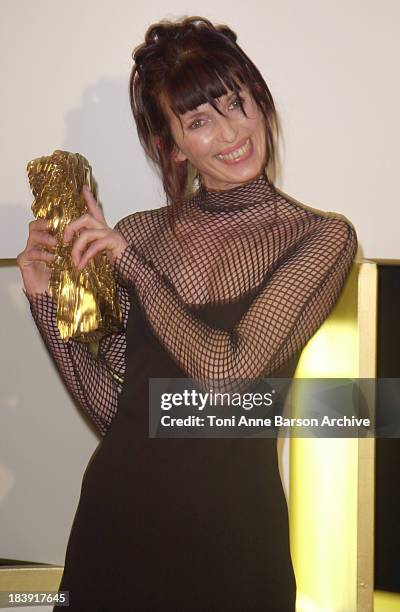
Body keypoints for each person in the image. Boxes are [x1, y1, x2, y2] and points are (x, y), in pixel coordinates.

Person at [17, 16, 358, 611]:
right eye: (200, 120)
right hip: (114, 527)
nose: (232, 131)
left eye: (237, 103)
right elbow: (119, 414)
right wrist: (45, 301)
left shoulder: (320, 237)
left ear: (260, 103)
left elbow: (231, 378)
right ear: (171, 146)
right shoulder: (140, 236)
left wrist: (135, 270)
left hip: (233, 540)